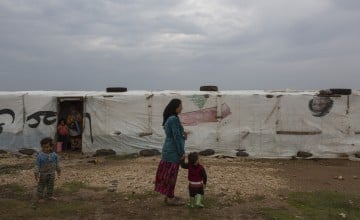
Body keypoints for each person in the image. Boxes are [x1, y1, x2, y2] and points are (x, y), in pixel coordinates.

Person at [155, 98, 186, 205]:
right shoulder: (173, 119)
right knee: (171, 175)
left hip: (168, 150)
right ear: (176, 107)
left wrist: (183, 135)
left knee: (168, 175)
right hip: (173, 151)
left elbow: (174, 135)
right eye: (181, 105)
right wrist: (181, 153)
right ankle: (170, 198)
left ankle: (169, 196)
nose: (182, 107)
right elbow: (176, 137)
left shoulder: (169, 118)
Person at [34, 137, 61, 201]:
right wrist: (36, 173)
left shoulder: (54, 155)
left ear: (51, 147)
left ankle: (50, 196)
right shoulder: (40, 156)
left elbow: (57, 164)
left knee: (51, 185)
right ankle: (40, 197)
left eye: (47, 147)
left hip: (52, 173)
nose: (45, 149)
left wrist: (59, 171)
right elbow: (37, 165)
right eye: (43, 147)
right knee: (41, 185)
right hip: (43, 174)